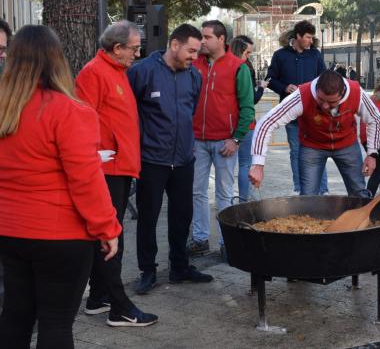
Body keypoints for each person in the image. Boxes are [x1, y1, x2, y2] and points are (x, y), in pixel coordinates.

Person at [0, 25, 121, 348]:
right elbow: (86, 180)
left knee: (15, 316)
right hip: (60, 234)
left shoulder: (5, 111)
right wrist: (107, 228)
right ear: (57, 60)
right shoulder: (70, 111)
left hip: (10, 231)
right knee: (55, 322)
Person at [76, 21, 157, 326]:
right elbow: (82, 117)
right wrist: (94, 154)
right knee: (111, 237)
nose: (137, 53)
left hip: (120, 165)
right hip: (106, 167)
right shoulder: (94, 72)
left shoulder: (117, 71)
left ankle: (98, 296)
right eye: (134, 48)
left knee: (112, 233)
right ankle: (119, 307)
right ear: (117, 47)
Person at [128, 24, 213, 295]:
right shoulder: (142, 72)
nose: (194, 57)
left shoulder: (194, 77)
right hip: (152, 159)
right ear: (174, 45)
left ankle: (179, 267)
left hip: (184, 160)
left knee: (181, 216)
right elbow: (128, 111)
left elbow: (190, 109)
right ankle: (147, 271)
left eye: (197, 52)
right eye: (190, 51)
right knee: (148, 217)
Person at [249, 70, 380, 196]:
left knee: (358, 191)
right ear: (317, 88)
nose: (325, 106)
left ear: (342, 94)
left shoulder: (355, 92)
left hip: (347, 145)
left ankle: (360, 219)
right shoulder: (302, 95)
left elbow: (375, 118)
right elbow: (266, 123)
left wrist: (372, 154)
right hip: (312, 146)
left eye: (331, 102)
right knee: (308, 196)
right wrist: (258, 163)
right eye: (320, 99)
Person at [187, 21, 254, 258]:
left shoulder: (239, 67)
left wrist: (236, 139)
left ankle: (228, 242)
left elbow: (247, 107)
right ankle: (200, 238)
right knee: (197, 192)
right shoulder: (194, 65)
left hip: (226, 142)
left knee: (224, 194)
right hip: (197, 140)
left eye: (207, 37)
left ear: (221, 39)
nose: (202, 41)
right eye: (201, 37)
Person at [266, 20, 328, 195]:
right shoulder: (280, 55)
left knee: (318, 150)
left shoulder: (315, 55)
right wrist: (284, 87)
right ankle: (300, 188)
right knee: (296, 150)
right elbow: (270, 79)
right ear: (298, 36)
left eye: (311, 37)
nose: (310, 40)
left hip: (314, 112)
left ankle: (322, 190)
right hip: (290, 113)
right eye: (308, 37)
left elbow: (324, 79)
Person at [231, 35, 268, 203]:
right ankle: (243, 200)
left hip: (227, 124)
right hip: (245, 123)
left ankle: (226, 200)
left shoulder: (222, 68)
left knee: (227, 168)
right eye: (247, 53)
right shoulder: (244, 68)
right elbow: (251, 99)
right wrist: (261, 89)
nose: (248, 57)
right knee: (245, 164)